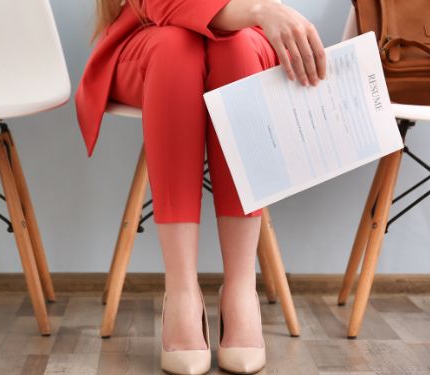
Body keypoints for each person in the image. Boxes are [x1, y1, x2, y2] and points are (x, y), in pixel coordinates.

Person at [76, 0, 326, 373]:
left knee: (237, 49)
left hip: (246, 40)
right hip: (150, 34)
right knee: (176, 49)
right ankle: (181, 292)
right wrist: (260, 10)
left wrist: (257, 15)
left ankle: (241, 290)